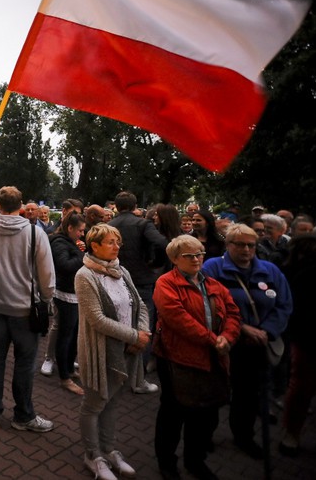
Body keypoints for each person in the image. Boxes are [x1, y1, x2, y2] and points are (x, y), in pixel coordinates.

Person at [153, 235, 241, 480]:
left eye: (200, 253)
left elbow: (233, 312)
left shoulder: (212, 283)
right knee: (173, 413)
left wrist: (228, 336)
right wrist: (214, 340)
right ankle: (167, 462)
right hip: (177, 358)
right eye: (189, 255)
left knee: (204, 416)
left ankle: (195, 460)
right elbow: (178, 320)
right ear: (174, 259)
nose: (196, 259)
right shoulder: (166, 283)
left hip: (211, 357)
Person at [202, 224, 293, 460]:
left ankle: (244, 436)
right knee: (215, 392)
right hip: (224, 343)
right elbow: (208, 305)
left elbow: (284, 305)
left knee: (248, 394)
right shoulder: (213, 268)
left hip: (257, 344)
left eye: (250, 245)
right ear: (228, 244)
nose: (246, 250)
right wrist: (241, 328)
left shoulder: (270, 271)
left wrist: (266, 331)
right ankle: (204, 436)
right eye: (240, 244)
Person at [74, 224, 150, 480]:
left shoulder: (121, 270)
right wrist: (135, 336)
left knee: (113, 401)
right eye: (110, 242)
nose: (117, 247)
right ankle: (92, 455)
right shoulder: (85, 275)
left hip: (127, 349)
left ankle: (108, 449)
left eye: (118, 242)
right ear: (94, 246)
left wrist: (142, 331)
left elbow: (139, 304)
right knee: (94, 403)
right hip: (100, 351)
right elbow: (97, 319)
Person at [0, 186, 56, 432]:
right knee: (24, 362)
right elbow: (46, 273)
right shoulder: (35, 233)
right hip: (24, 308)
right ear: (21, 205)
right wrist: (47, 298)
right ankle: (23, 415)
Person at [108, 191, 166, 393]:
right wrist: (155, 263)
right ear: (135, 206)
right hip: (141, 280)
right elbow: (161, 243)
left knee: (118, 326)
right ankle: (138, 379)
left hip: (116, 279)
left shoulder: (110, 225)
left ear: (116, 206)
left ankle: (117, 372)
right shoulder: (143, 224)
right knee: (143, 327)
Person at [279, 234, 316, 456]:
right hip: (311, 340)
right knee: (303, 386)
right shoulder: (311, 273)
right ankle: (291, 432)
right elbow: (298, 310)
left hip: (306, 337)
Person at [49, 211, 87, 395]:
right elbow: (65, 266)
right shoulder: (59, 242)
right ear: (70, 228)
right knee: (65, 335)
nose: (82, 234)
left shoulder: (68, 241)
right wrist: (81, 254)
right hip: (65, 294)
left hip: (73, 292)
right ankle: (64, 377)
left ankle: (69, 368)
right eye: (80, 230)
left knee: (73, 334)